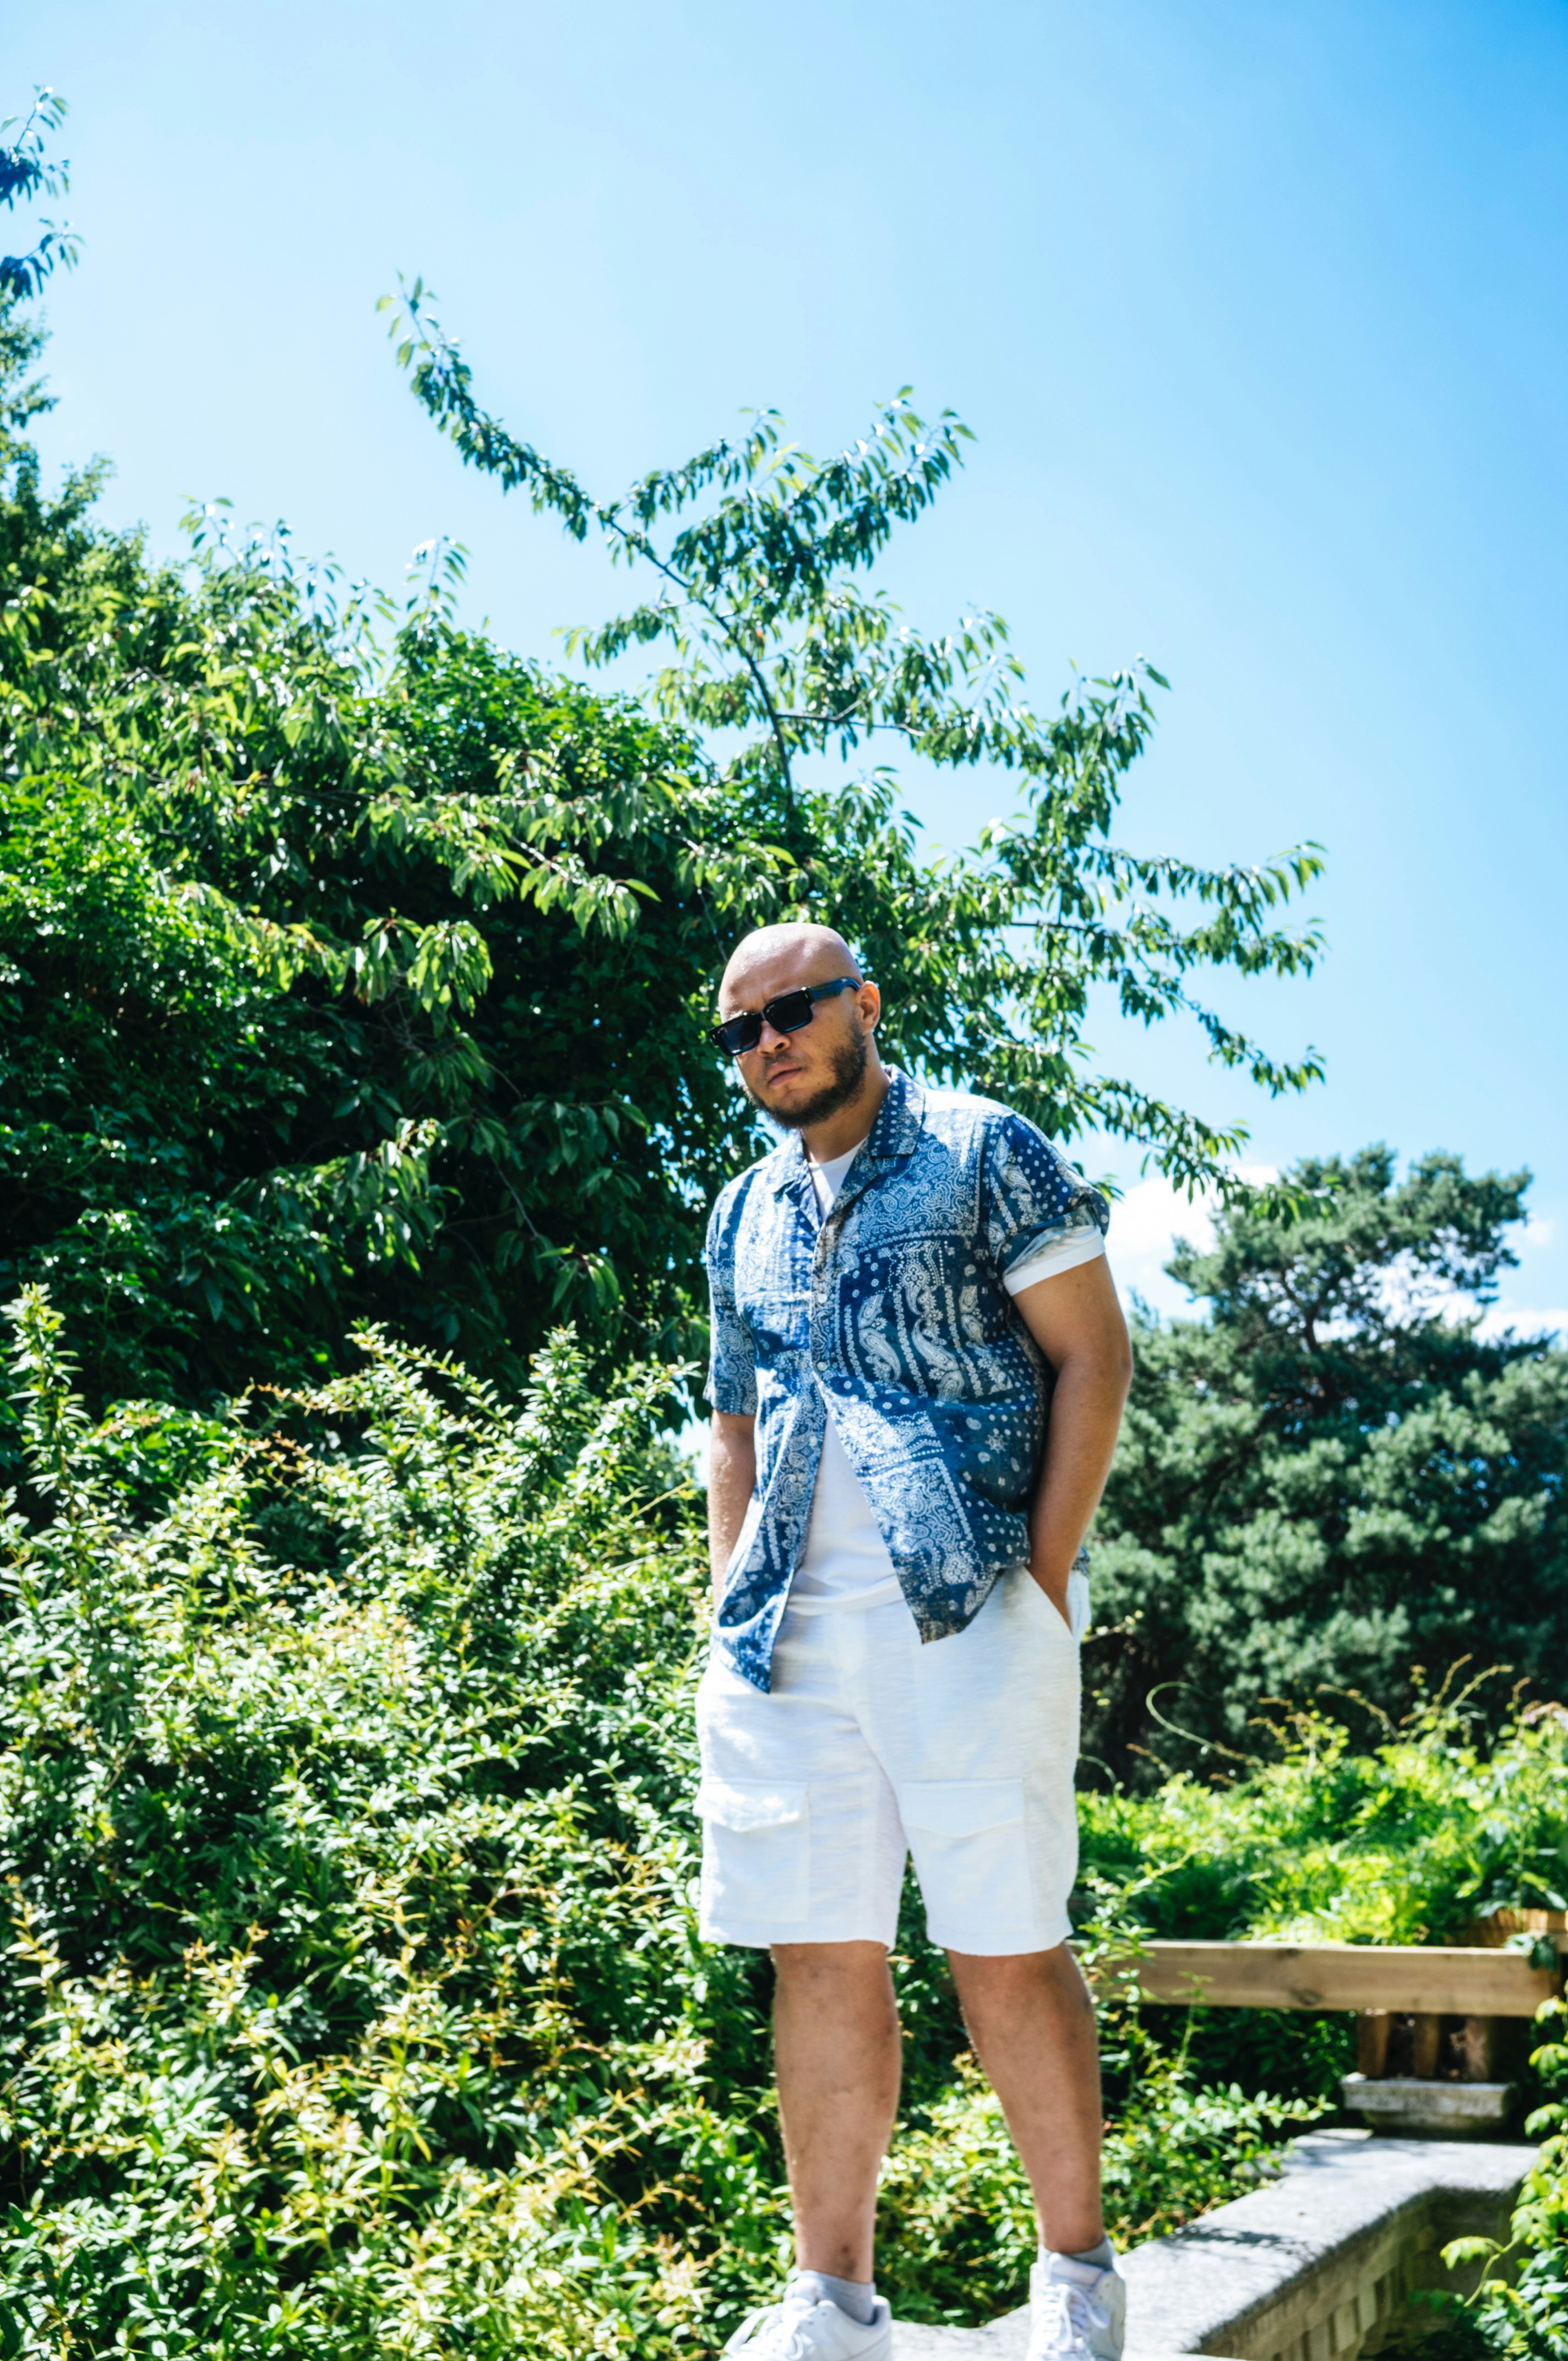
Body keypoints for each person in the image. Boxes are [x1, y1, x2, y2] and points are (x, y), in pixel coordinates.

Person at [698, 922, 1135, 2361]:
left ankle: (1074, 2285)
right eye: (741, 1029)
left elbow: (1093, 1352)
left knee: (1003, 1946)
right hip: (785, 1640)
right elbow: (739, 1420)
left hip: (966, 1608)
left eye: (796, 1010)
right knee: (818, 1955)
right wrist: (727, 1602)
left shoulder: (981, 1146)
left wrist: (1048, 1569)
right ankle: (834, 2302)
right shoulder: (740, 1212)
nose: (769, 1041)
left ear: (863, 1005)